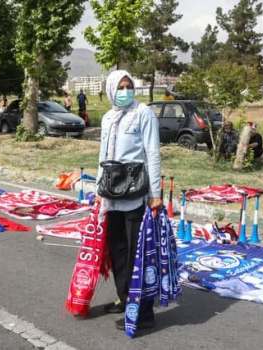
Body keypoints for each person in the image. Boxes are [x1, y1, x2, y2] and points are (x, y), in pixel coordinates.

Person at [97, 70, 162, 331]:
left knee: (138, 255)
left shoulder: (143, 113)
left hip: (135, 195)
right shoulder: (107, 118)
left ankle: (144, 312)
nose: (125, 91)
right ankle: (126, 299)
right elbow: (102, 156)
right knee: (118, 252)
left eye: (129, 86)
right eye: (120, 87)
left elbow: (153, 154)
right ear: (112, 90)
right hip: (112, 195)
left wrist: (155, 195)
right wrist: (98, 193)